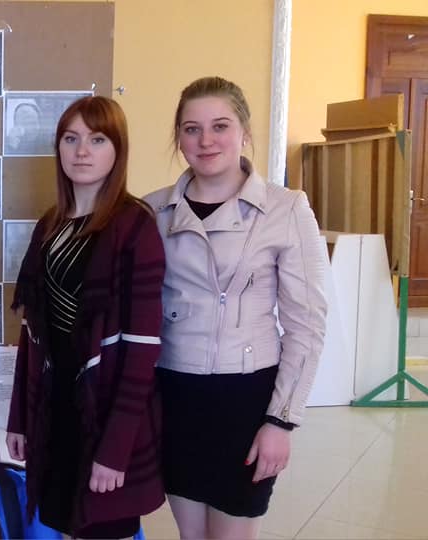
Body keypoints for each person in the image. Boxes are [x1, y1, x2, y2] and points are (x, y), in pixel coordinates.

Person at [143, 76, 326, 540]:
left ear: (244, 132)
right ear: (179, 139)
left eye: (220, 126)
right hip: (174, 394)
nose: (206, 140)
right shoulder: (152, 212)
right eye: (192, 129)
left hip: (247, 399)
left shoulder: (286, 209)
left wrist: (281, 420)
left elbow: (307, 325)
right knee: (191, 536)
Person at [6, 96, 166, 538]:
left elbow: (142, 350)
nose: (81, 151)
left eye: (97, 140)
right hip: (55, 408)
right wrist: (20, 418)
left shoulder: (135, 225)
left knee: (105, 528)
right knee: (64, 523)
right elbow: (32, 334)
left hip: (107, 411)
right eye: (70, 139)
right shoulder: (50, 225)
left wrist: (116, 448)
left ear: (118, 149)